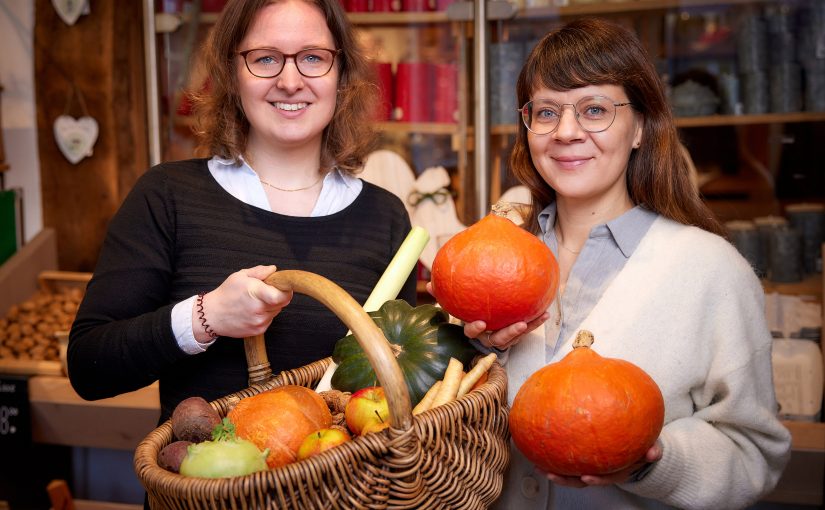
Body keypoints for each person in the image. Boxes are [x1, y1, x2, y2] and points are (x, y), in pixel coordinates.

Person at [466, 18, 791, 509]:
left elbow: (754, 452)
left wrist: (650, 462)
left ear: (640, 126)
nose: (567, 132)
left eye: (595, 109)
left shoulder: (711, 271)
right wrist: (474, 354)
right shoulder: (493, 260)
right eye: (547, 112)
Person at [68, 0, 416, 424]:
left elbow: (406, 379)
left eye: (312, 58)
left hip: (349, 490)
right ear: (232, 73)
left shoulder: (385, 217)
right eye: (265, 58)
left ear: (341, 74)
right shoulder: (167, 196)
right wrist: (206, 317)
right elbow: (88, 368)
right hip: (205, 487)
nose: (290, 81)